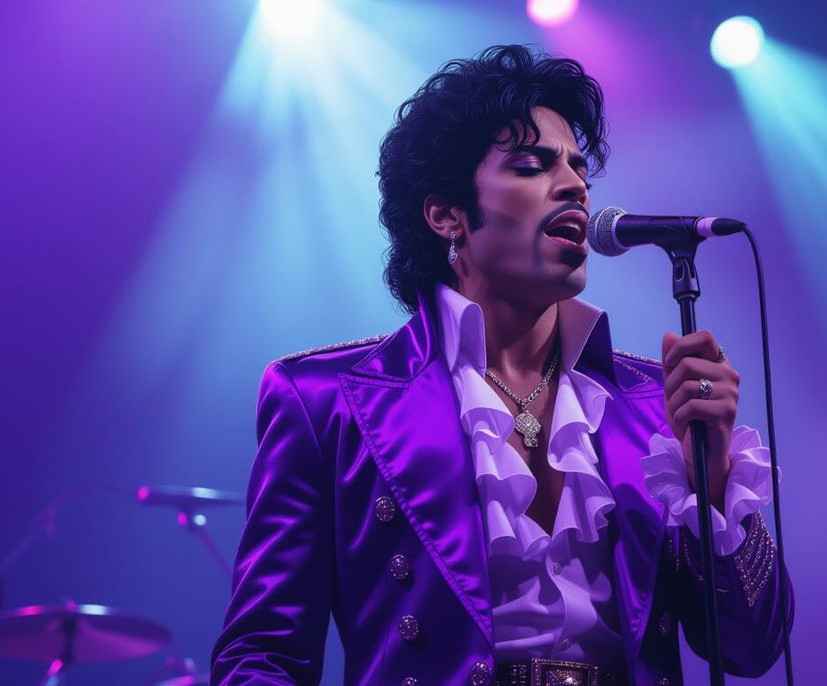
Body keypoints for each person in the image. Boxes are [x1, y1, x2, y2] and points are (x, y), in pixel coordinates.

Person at [211, 44, 792, 685]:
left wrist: (713, 480)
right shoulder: (327, 400)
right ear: (446, 214)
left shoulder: (654, 402)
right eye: (532, 165)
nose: (574, 186)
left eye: (578, 168)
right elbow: (262, 655)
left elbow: (753, 650)